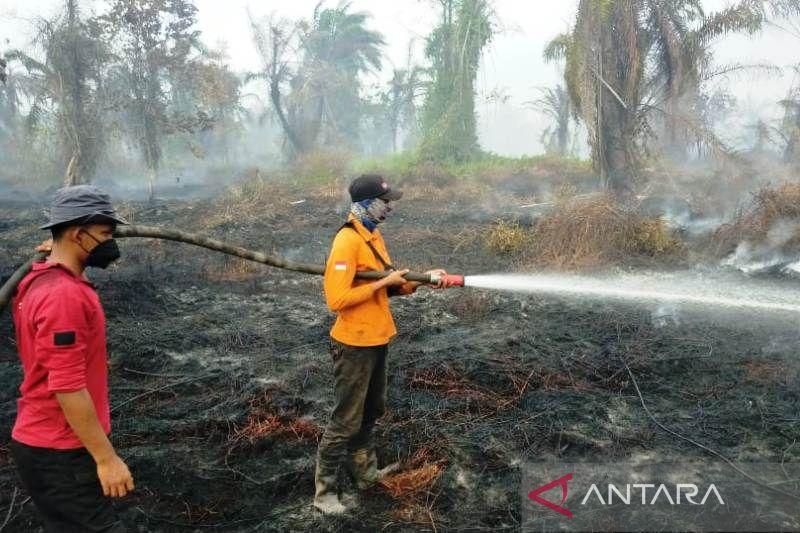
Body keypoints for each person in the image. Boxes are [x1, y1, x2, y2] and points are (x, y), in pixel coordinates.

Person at [313, 174, 451, 514]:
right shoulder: (347, 242)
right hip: (354, 345)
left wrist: (419, 281)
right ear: (364, 204)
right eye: (385, 202)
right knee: (345, 419)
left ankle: (365, 473)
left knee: (371, 411)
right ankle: (325, 493)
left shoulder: (372, 236)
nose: (390, 208)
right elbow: (337, 297)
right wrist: (382, 284)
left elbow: (389, 283)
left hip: (377, 338)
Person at [9, 185, 133, 532]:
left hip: (48, 443)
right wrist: (106, 459)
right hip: (61, 451)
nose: (112, 242)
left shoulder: (43, 278)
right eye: (106, 234)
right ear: (78, 235)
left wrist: (58, 252)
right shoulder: (63, 296)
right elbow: (66, 386)